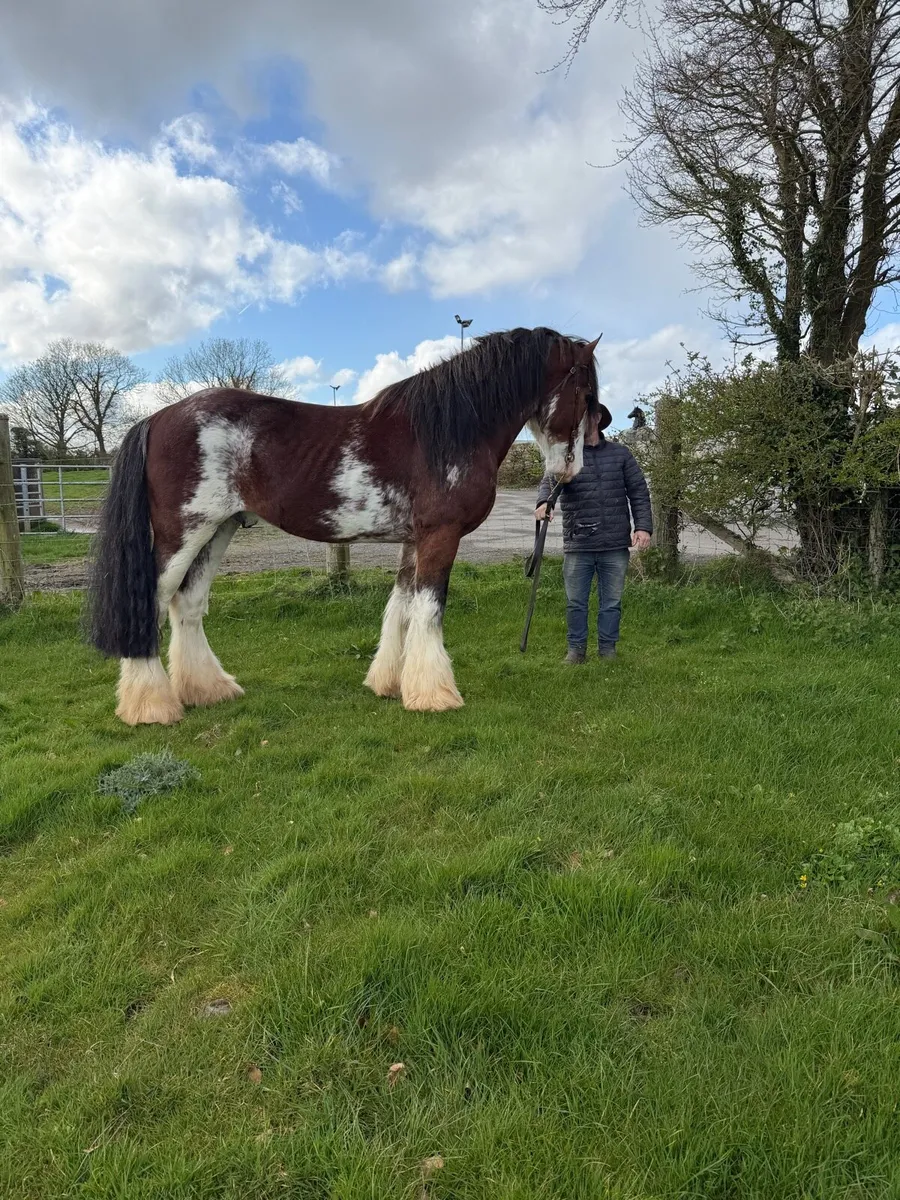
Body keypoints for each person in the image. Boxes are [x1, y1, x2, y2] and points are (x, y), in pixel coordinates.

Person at [534, 403, 652, 663]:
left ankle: (607, 650)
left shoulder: (621, 455)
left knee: (611, 602)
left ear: (598, 418)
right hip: (579, 542)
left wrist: (643, 527)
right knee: (576, 602)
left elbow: (639, 492)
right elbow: (549, 483)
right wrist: (544, 503)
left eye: (586, 415)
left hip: (614, 543)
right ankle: (576, 650)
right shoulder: (567, 456)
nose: (581, 421)